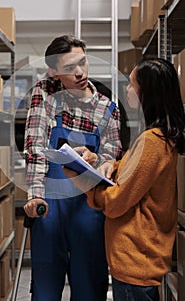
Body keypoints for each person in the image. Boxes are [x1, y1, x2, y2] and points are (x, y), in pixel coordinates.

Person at [63, 57, 185, 301]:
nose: (127, 90)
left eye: (132, 84)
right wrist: (102, 162)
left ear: (147, 92)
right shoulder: (155, 136)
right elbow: (134, 171)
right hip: (137, 260)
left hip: (135, 261)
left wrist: (83, 180)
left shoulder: (152, 141)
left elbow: (117, 202)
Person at [23, 35, 122, 301]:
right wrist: (34, 196)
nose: (79, 72)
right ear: (53, 71)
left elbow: (113, 155)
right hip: (50, 203)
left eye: (83, 62)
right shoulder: (44, 94)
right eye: (69, 68)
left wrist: (97, 160)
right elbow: (35, 146)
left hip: (88, 204)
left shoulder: (107, 108)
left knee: (89, 284)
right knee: (45, 284)